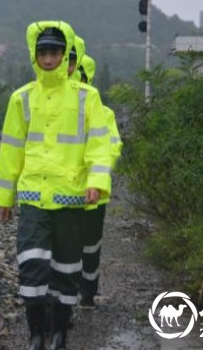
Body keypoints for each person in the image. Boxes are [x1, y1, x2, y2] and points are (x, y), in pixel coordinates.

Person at [0, 21, 113, 350]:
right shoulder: (21, 99)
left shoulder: (87, 98)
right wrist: (5, 197)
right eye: (43, 52)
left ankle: (60, 333)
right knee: (31, 266)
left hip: (71, 200)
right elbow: (11, 151)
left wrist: (96, 181)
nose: (49, 59)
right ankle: (35, 335)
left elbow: (100, 145)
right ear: (35, 55)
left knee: (65, 270)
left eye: (55, 52)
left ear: (64, 55)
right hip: (33, 199)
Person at [77, 54, 123, 309]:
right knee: (67, 249)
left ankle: (88, 293)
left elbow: (113, 148)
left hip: (95, 196)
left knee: (90, 248)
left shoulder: (104, 114)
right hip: (67, 192)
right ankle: (69, 297)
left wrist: (96, 176)